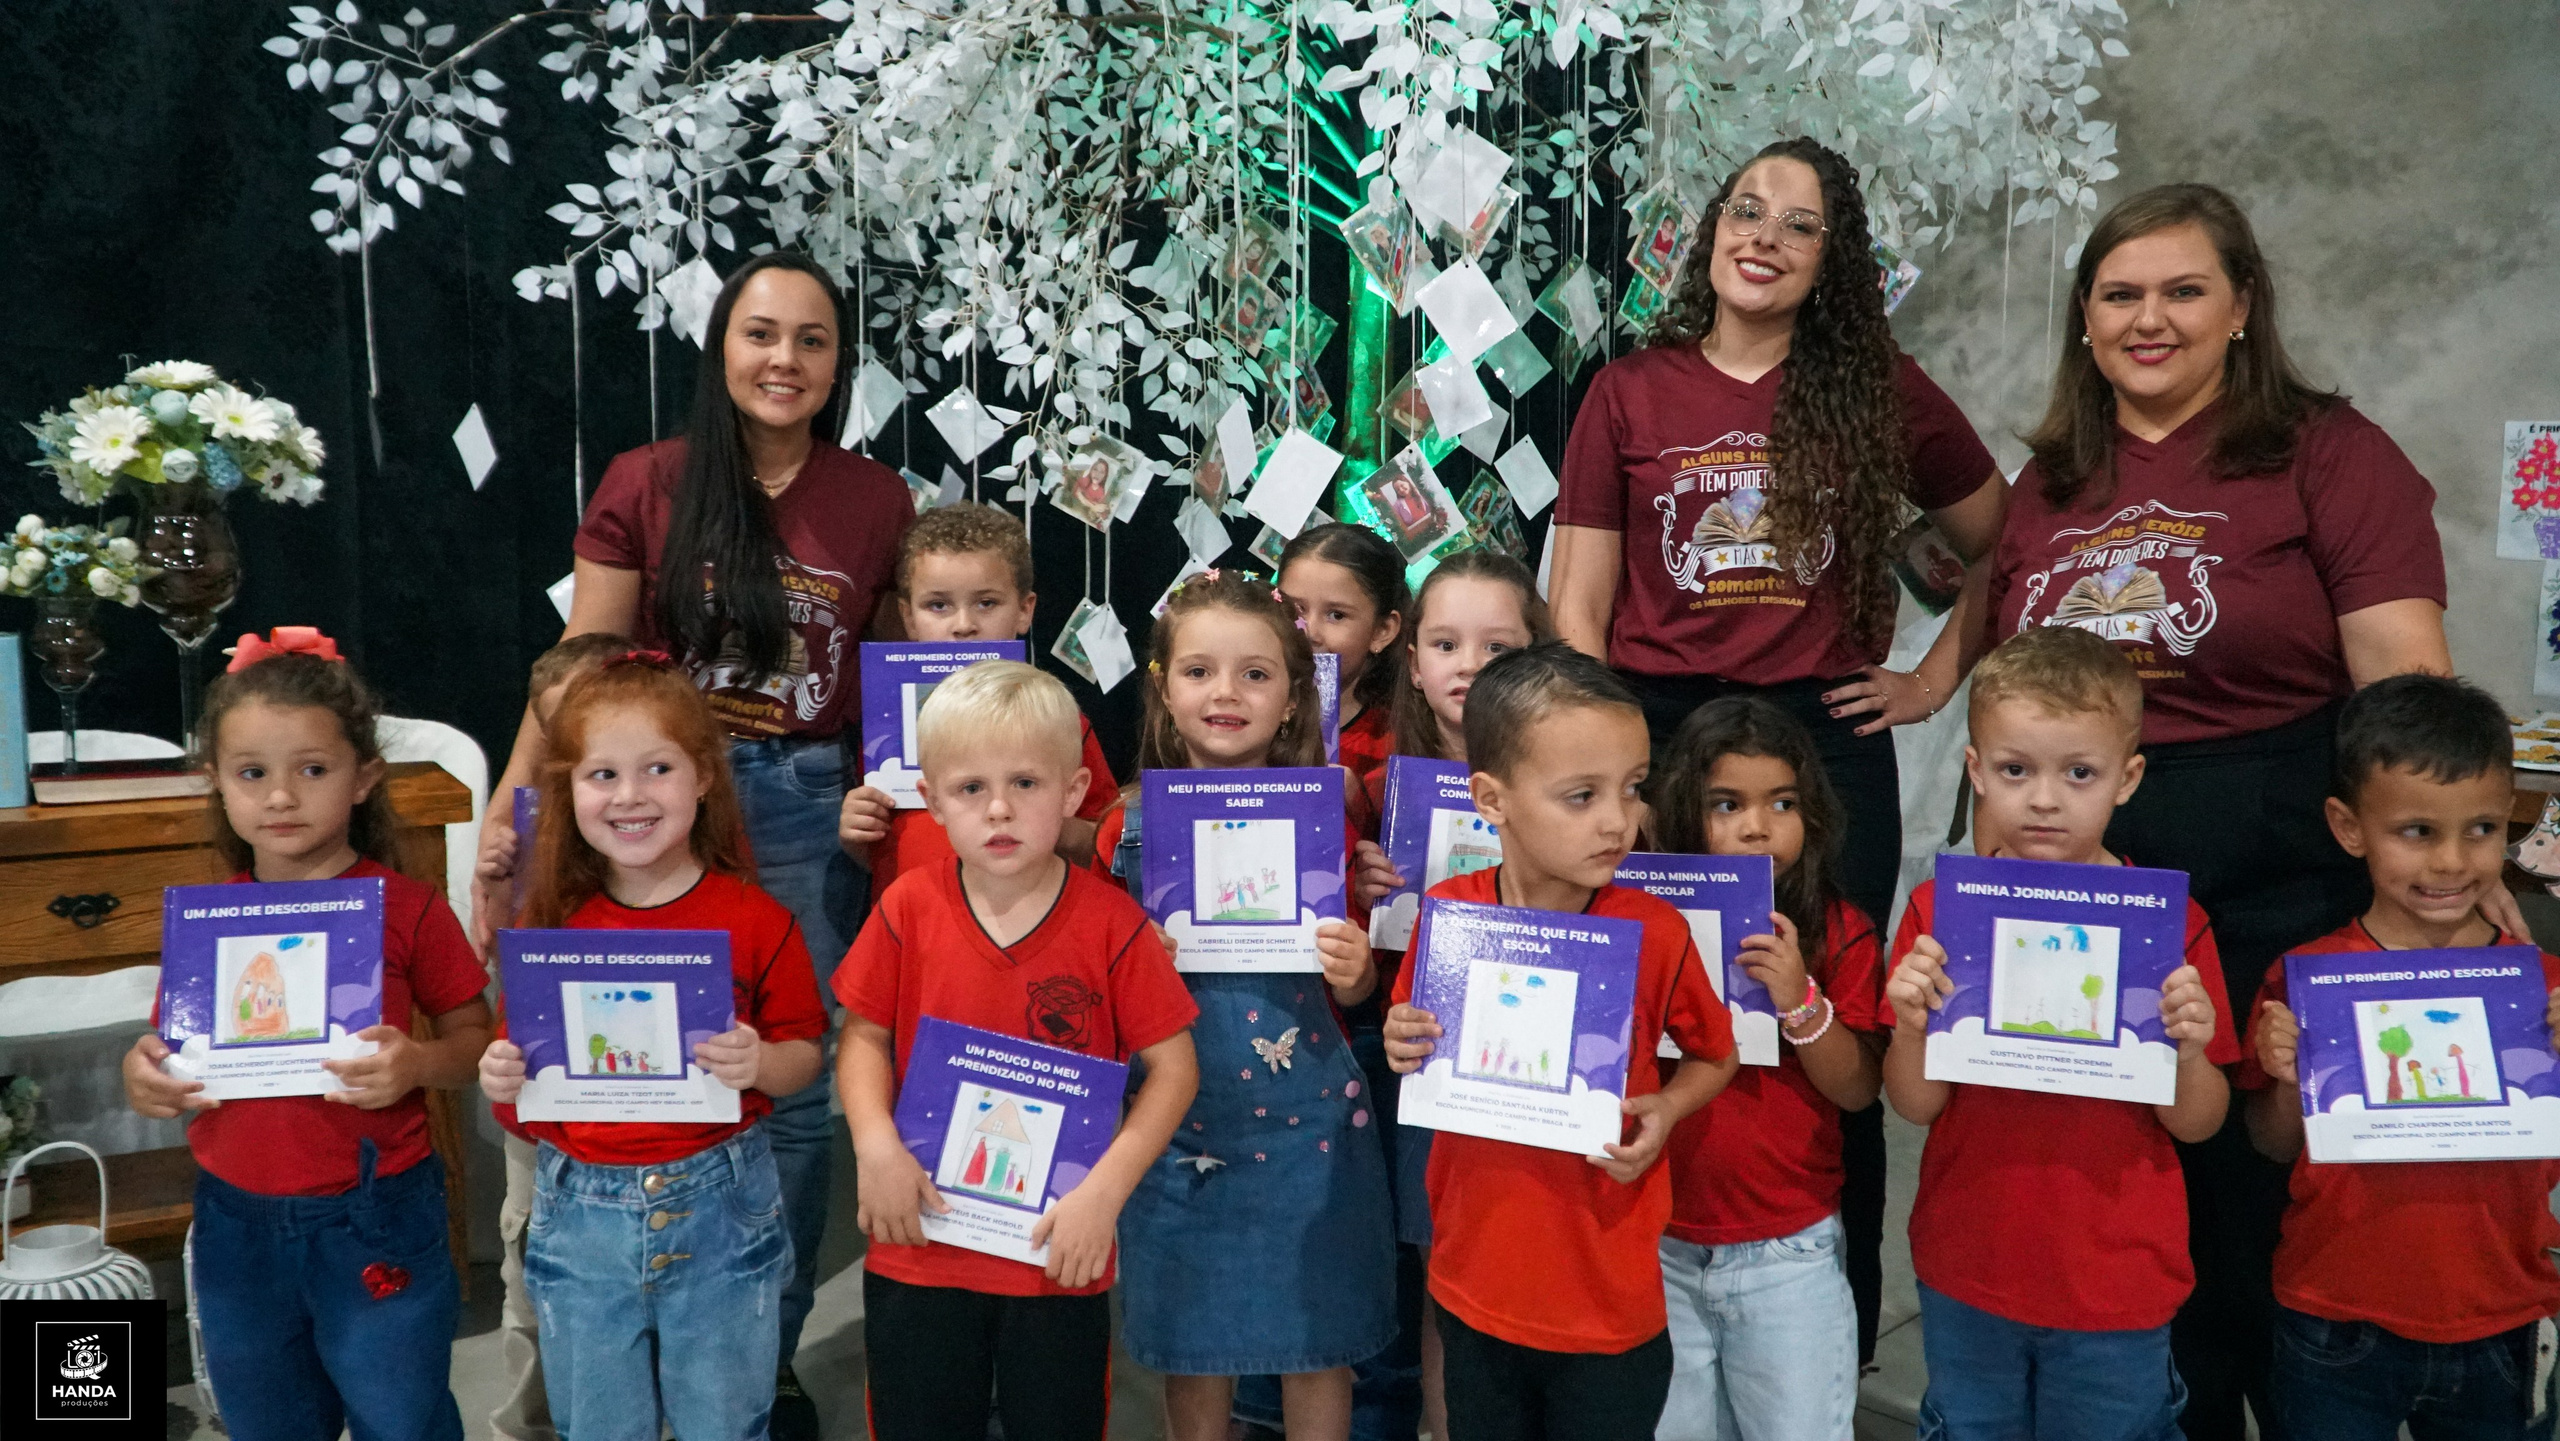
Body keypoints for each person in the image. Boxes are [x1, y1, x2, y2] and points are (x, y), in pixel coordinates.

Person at [1983, 183, 2460, 1436]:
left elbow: (2404, 694)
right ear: (2083, 319)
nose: (2150, 318)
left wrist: (2449, 886)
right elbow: (2008, 706)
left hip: (2278, 889)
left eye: (2183, 289)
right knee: (2113, 1206)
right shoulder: (2049, 480)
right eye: (2119, 293)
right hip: (2080, 891)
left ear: (2242, 306)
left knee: (2259, 1206)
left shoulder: (2329, 453)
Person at [1548, 136, 2003, 1360]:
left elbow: (2005, 533)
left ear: (1829, 260)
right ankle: (1644, 1306)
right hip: (1657, 729)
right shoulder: (1631, 390)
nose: (1764, 236)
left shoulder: (1876, 389)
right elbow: (1578, 600)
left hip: (1819, 742)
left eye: (1799, 225)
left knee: (1816, 1028)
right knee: (1653, 1011)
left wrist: (1929, 680)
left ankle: (1825, 1330)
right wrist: (1608, 765)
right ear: (1710, 232)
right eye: (1747, 210)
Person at [477, 251, 912, 1424]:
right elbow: (577, 672)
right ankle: (611, 1341)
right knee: (622, 1055)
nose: (785, 360)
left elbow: (890, 686)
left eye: (812, 340)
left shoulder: (876, 501)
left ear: (838, 362)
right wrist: (514, 812)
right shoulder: (648, 481)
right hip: (643, 797)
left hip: (804, 805)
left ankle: (749, 1345)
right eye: (762, 333)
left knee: (790, 1074)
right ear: (721, 345)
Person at [121, 630, 492, 1441]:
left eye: (312, 770)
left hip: (375, 1213)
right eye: (253, 772)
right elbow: (168, 1052)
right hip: (235, 1225)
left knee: (402, 1417)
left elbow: (475, 1037)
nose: (281, 796)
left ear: (364, 780)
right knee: (267, 1423)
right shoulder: (210, 922)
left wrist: (419, 1062)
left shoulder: (410, 906)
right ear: (217, 782)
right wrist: (143, 1072)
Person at [1881, 626, 2238, 1437]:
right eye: (2016, 770)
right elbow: (1916, 1104)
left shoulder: (2168, 925)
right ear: (1975, 771)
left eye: (2079, 773)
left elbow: (2200, 1120)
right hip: (1969, 1265)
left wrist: (2187, 1048)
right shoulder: (1939, 916)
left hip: (2116, 1280)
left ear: (2128, 778)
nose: (2045, 798)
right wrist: (1910, 1028)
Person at [1383, 643, 1739, 1441]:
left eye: (1632, 788)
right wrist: (1400, 1034)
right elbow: (1412, 1030)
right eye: (1581, 796)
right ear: (1491, 798)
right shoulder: (1450, 915)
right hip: (1474, 1286)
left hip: (1608, 1308)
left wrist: (1669, 1108)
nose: (1618, 820)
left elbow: (1718, 1053)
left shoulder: (1656, 930)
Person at [834, 661, 1200, 1440]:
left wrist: (1103, 1195)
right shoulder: (907, 906)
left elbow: (1174, 1069)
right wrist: (874, 1146)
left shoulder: (1113, 923)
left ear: (1073, 793)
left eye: (1027, 784)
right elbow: (863, 1035)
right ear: (929, 799)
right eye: (970, 789)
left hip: (1054, 1251)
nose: (999, 808)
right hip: (920, 1240)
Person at [478, 655, 828, 1441]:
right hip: (580, 1214)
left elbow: (806, 1050)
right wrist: (502, 1075)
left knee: (725, 1421)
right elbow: (520, 1103)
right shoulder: (549, 926)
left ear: (702, 777)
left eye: (657, 768)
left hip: (721, 1207)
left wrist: (761, 1062)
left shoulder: (754, 917)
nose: (630, 795)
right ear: (568, 789)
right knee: (598, 1425)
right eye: (603, 773)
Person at [1098, 569, 1397, 1441]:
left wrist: (1354, 971)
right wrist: (1132, 969)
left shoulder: (1332, 815)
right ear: (1162, 688)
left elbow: (1360, 990)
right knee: (1194, 1343)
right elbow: (1096, 1000)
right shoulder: (1125, 827)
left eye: (1255, 674)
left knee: (1319, 1337)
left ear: (1295, 696)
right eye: (1199, 671)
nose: (1226, 693)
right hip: (1178, 1120)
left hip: (1310, 1121)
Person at [2240, 675, 2560, 1437]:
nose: (2452, 861)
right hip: (2334, 1315)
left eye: (2482, 828)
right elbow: (2271, 1141)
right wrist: (2285, 1078)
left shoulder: (2541, 986)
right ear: (2349, 828)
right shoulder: (2306, 976)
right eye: (2417, 830)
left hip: (2501, 1315)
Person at [1345, 548, 1553, 1441]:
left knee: (1535, 1260)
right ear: (1415, 660)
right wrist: (1360, 878)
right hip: (1430, 1060)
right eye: (1446, 642)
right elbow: (1360, 953)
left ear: (1538, 651)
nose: (1469, 664)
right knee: (1441, 1271)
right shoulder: (1381, 787)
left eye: (1497, 644)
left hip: (1540, 1062)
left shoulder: (1573, 784)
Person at [1647, 697, 1886, 1441]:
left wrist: (1799, 999)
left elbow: (1858, 1087)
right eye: (1727, 804)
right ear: (1685, 809)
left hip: (1789, 1251)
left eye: (1781, 802)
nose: (1757, 825)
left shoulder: (1838, 927)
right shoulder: (1640, 914)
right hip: (1661, 1240)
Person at [480, 629, 631, 1441]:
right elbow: (500, 960)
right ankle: (530, 1429)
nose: (587, 765)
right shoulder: (528, 838)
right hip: (542, 1112)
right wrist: (501, 884)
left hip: (645, 1128)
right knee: (534, 1285)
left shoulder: (681, 841)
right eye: (561, 737)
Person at [836, 503, 1118, 887]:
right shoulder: (886, 720)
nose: (964, 625)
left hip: (1031, 921)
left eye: (986, 603)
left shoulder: (1059, 718)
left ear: (1024, 609)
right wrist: (857, 833)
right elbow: (885, 852)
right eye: (938, 605)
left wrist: (1049, 821)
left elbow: (1106, 844)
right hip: (918, 929)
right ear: (908, 618)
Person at [1278, 522, 1409, 781]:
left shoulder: (1397, 742)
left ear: (1382, 630)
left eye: (1336, 615)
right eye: (1296, 610)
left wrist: (1358, 803)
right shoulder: (1250, 718)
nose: (1309, 633)